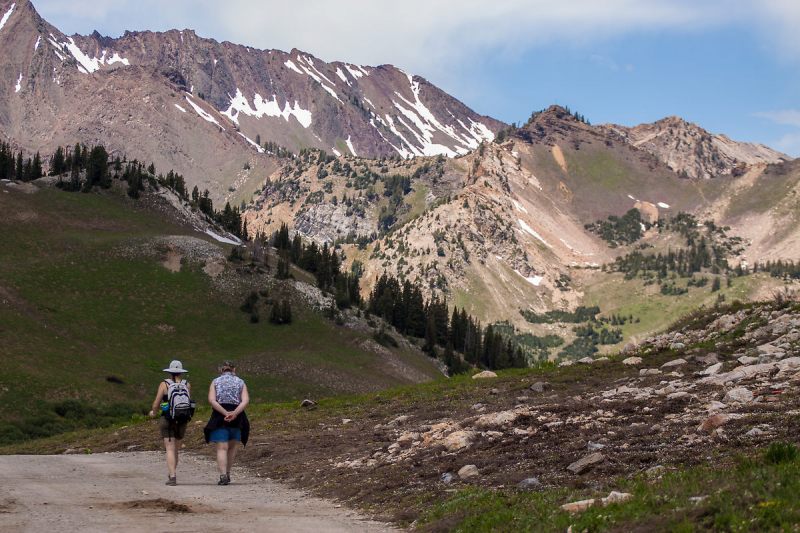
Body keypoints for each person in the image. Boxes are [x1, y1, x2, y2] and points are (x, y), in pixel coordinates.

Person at [204, 361, 250, 486]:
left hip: (219, 417)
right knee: (232, 448)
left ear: (221, 370)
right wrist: (234, 413)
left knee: (222, 448)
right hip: (237, 417)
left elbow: (212, 400)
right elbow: (245, 400)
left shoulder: (215, 382)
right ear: (234, 369)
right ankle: (228, 473)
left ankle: (223, 475)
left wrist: (225, 413)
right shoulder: (241, 382)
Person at [149, 360, 192, 486]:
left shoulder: (164, 384)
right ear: (181, 372)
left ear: (170, 372)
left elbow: (156, 403)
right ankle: (172, 472)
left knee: (169, 449)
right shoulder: (187, 384)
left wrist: (153, 412)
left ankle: (172, 476)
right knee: (176, 449)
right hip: (182, 420)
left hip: (167, 419)